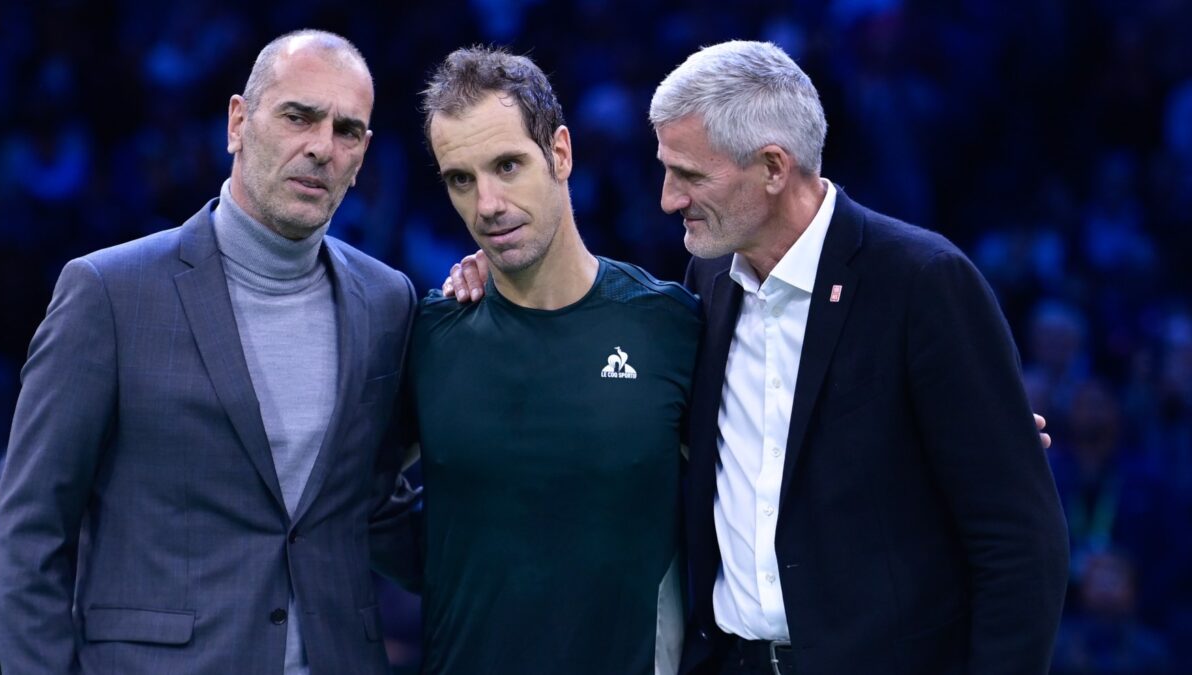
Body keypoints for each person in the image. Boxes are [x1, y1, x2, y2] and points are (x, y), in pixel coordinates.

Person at [446, 40, 1069, 675]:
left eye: (689, 175)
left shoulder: (922, 282)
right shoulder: (708, 279)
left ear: (773, 167)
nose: (667, 198)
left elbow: (1020, 544)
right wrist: (498, 274)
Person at [0, 30, 416, 675]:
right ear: (238, 121)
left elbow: (374, 504)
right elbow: (29, 534)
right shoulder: (108, 292)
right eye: (298, 116)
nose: (320, 147)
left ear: (363, 156)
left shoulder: (388, 301)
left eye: (347, 130)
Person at [407, 47, 700, 675]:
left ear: (560, 153)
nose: (486, 204)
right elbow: (359, 498)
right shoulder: (432, 333)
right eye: (462, 179)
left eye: (508, 165)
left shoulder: (670, 324)